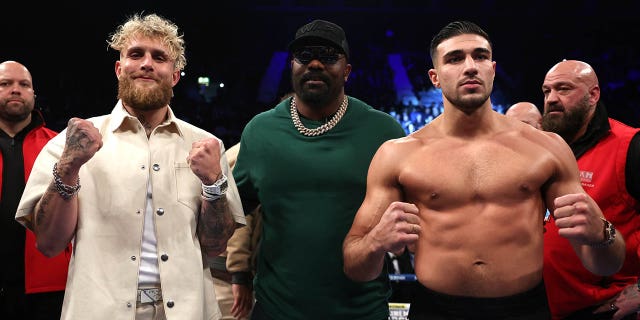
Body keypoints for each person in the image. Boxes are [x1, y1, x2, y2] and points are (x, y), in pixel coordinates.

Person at [342, 20, 626, 320]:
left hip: (525, 309)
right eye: (455, 58)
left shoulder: (546, 147)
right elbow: (355, 266)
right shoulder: (398, 154)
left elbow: (606, 264)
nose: (470, 67)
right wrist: (376, 242)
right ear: (435, 77)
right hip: (435, 310)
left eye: (479, 56)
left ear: (492, 68)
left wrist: (602, 233)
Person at [15, 13, 245, 320]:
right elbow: (48, 244)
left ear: (175, 75)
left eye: (159, 57)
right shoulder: (68, 144)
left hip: (189, 310)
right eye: (136, 54)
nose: (147, 63)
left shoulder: (208, 146)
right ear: (119, 68)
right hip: (99, 310)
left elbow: (216, 246)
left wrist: (213, 183)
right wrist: (69, 167)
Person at [232, 19, 406, 320]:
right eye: (305, 55)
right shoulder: (260, 131)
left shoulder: (383, 131)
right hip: (277, 310)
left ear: (347, 71)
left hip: (361, 311)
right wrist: (238, 274)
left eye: (327, 56)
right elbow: (233, 214)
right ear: (291, 66)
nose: (314, 63)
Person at [541, 60, 640, 320]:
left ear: (593, 95)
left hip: (604, 309)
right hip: (543, 307)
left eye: (563, 89)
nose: (551, 99)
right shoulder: (543, 150)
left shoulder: (630, 147)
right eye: (546, 91)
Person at [0, 60, 70, 320]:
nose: (15, 90)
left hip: (48, 288)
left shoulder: (60, 146)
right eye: (5, 84)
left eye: (24, 85)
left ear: (34, 94)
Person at [212, 142, 260, 320]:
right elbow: (238, 213)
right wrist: (239, 273)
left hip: (232, 271)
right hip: (226, 275)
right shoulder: (250, 150)